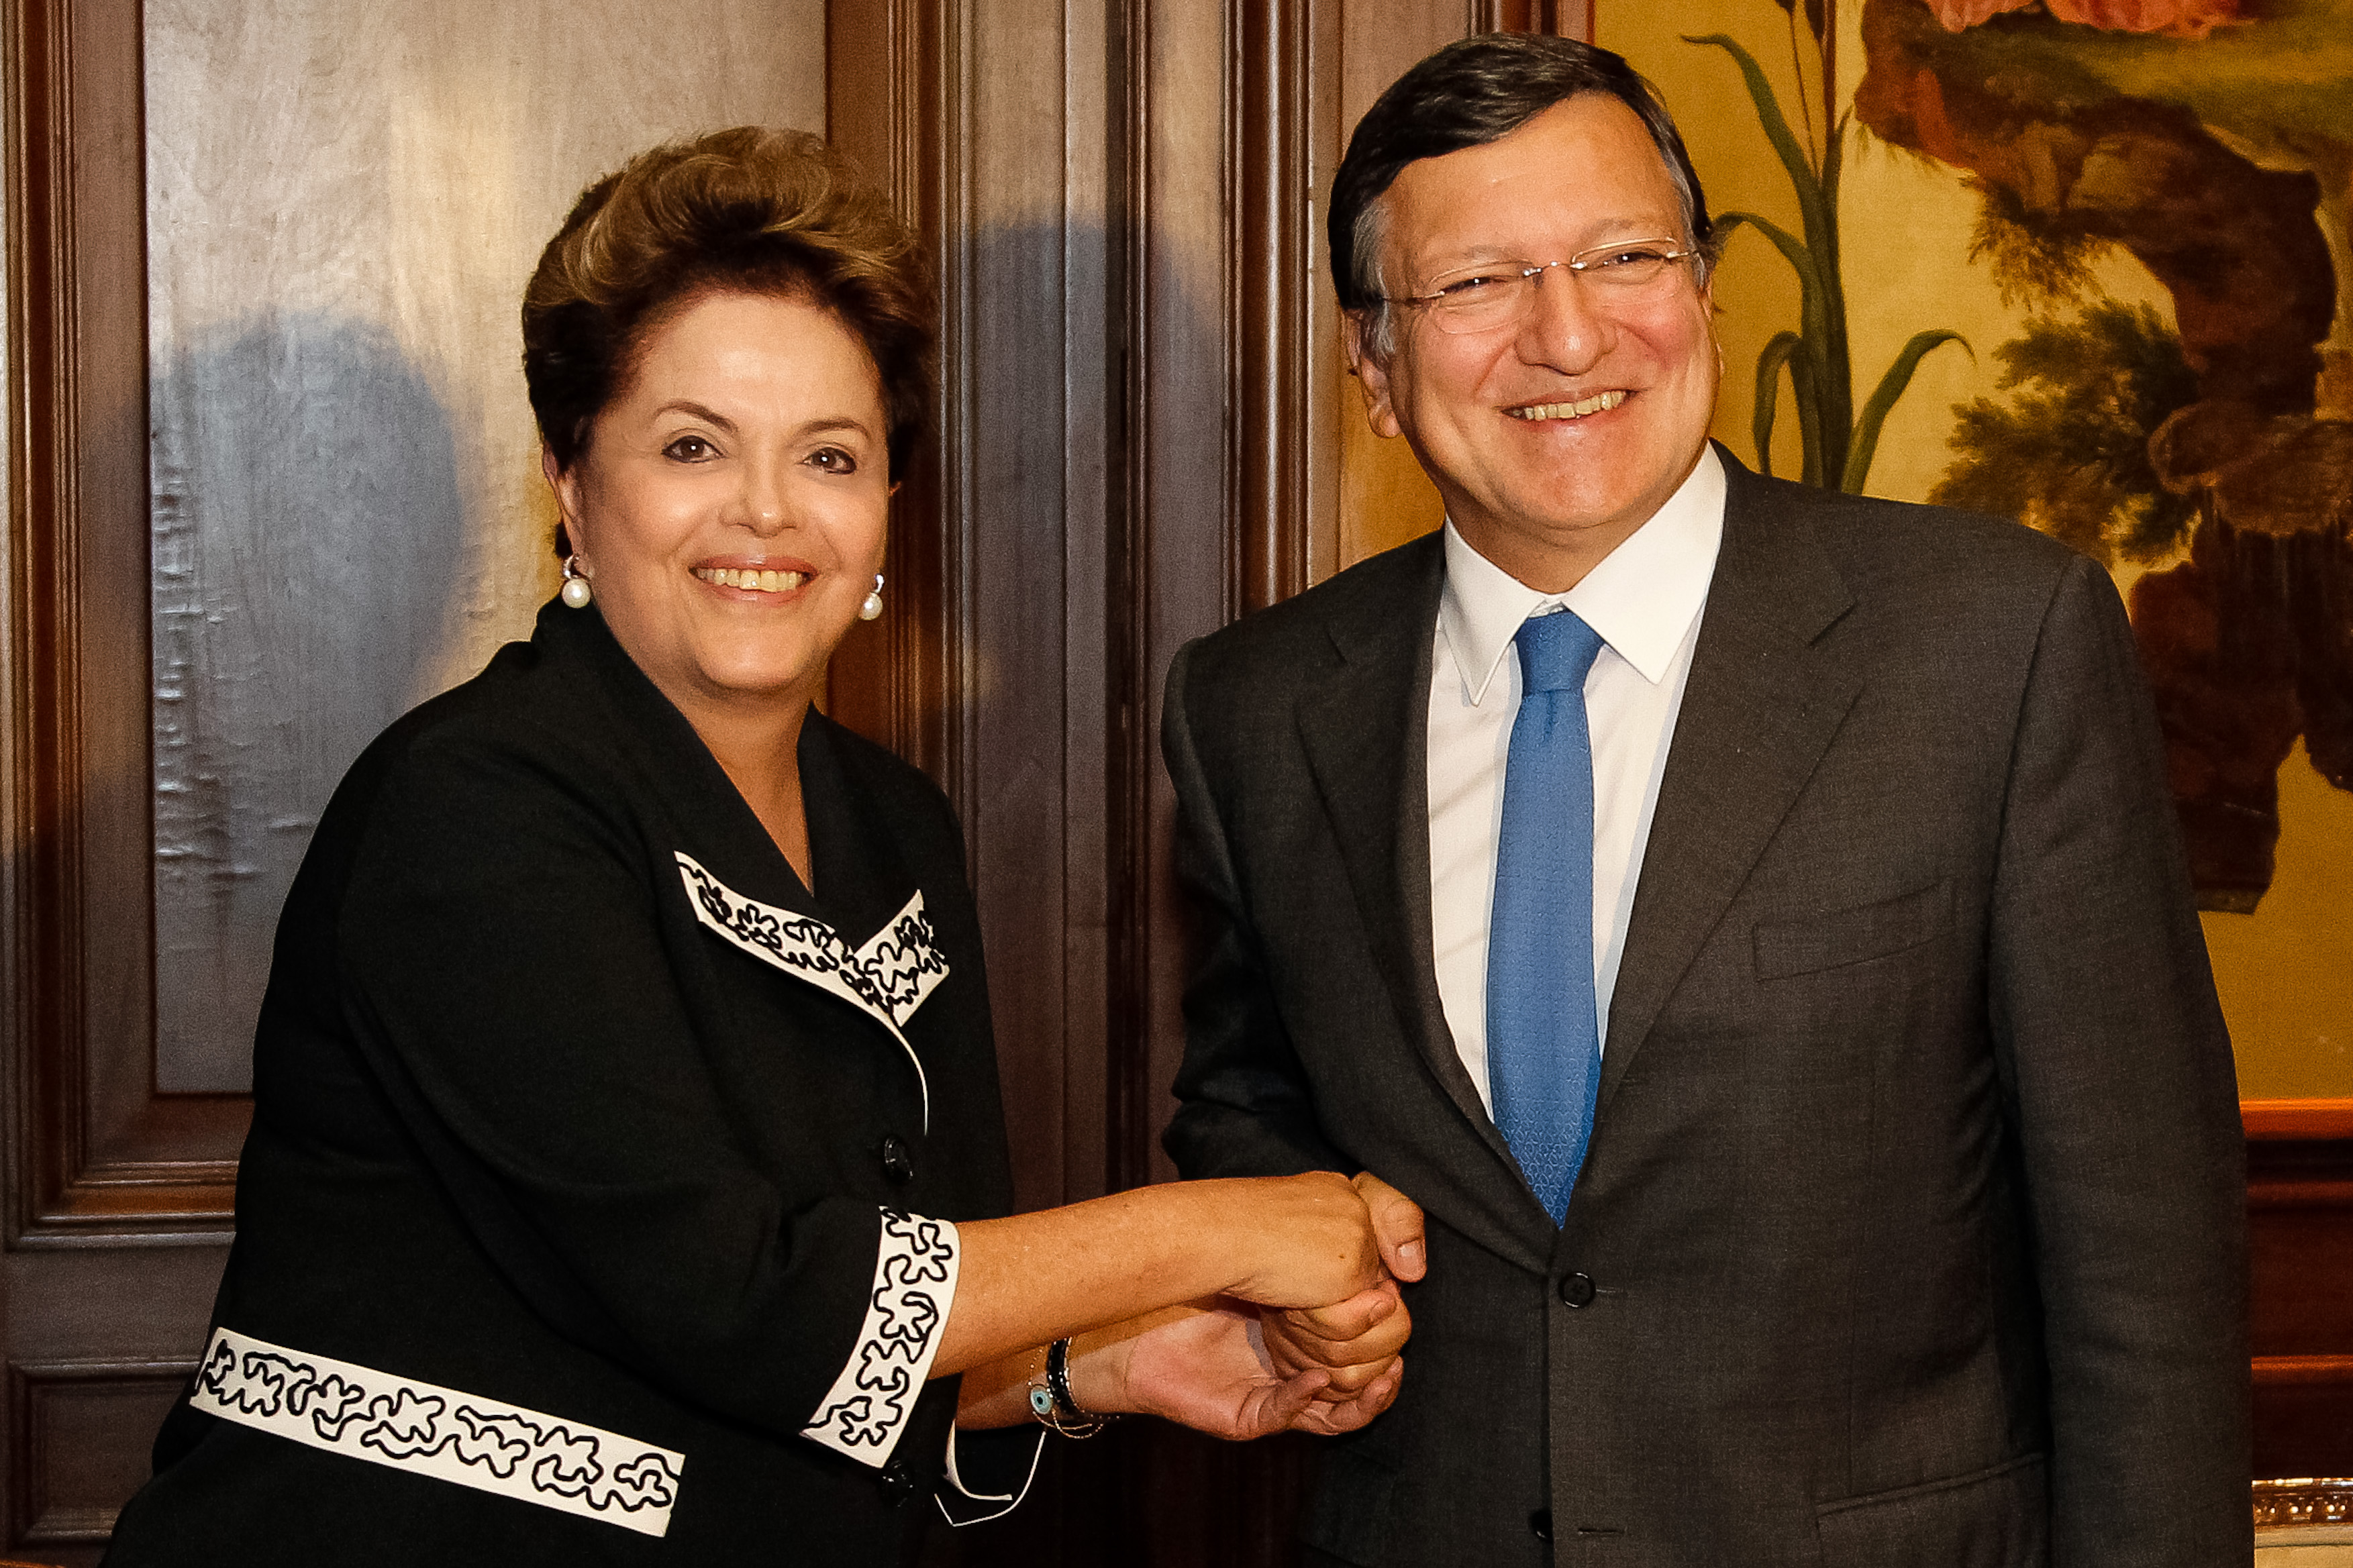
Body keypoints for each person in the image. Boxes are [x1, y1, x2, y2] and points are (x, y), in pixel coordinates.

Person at [103, 127, 1424, 1567]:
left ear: (885, 512)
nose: (768, 513)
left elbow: (877, 1311)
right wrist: (1223, 1230)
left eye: (830, 456)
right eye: (690, 446)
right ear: (568, 481)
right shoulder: (472, 804)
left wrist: (1089, 1366)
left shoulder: (894, 824)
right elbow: (739, 1297)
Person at [1162, 34, 2248, 1568]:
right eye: (1475, 283)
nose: (1567, 334)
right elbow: (1250, 1107)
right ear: (1373, 366)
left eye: (1621, 255)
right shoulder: (1255, 708)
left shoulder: (1990, 646)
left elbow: (2149, 1264)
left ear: (1703, 292)